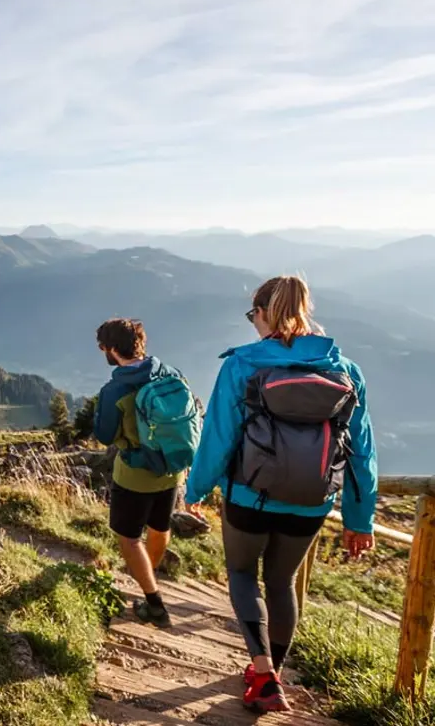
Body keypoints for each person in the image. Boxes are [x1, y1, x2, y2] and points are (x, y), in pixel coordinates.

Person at [185, 276, 377, 714]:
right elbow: (362, 452)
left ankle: (263, 673)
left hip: (248, 495)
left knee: (241, 573)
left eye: (252, 315)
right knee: (281, 581)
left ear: (263, 313)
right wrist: (359, 519)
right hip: (311, 502)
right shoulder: (346, 370)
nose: (252, 323)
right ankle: (272, 672)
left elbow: (218, 437)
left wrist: (195, 489)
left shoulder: (241, 365)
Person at [94, 318, 199, 629]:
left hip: (135, 474)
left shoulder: (115, 390)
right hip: (172, 468)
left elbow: (105, 435)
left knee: (128, 538)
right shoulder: (171, 373)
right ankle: (147, 575)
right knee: (159, 526)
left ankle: (154, 604)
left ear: (112, 349)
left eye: (103, 348)